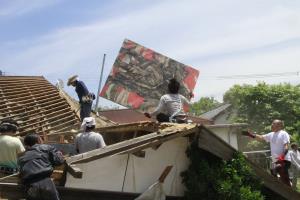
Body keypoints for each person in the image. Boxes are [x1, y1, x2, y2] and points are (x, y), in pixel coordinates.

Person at [244, 119, 291, 186]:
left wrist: (282, 157)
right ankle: (282, 187)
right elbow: (261, 138)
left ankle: (285, 188)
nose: (272, 125)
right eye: (272, 123)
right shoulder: (271, 134)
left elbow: (286, 146)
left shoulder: (283, 133)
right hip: (277, 161)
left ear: (279, 126)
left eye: (274, 124)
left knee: (275, 169)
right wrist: (250, 135)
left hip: (284, 160)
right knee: (281, 177)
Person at [18, 133, 65, 200]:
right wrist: (60, 155)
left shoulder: (22, 156)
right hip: (45, 182)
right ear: (39, 140)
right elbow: (58, 161)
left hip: (29, 185)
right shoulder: (46, 147)